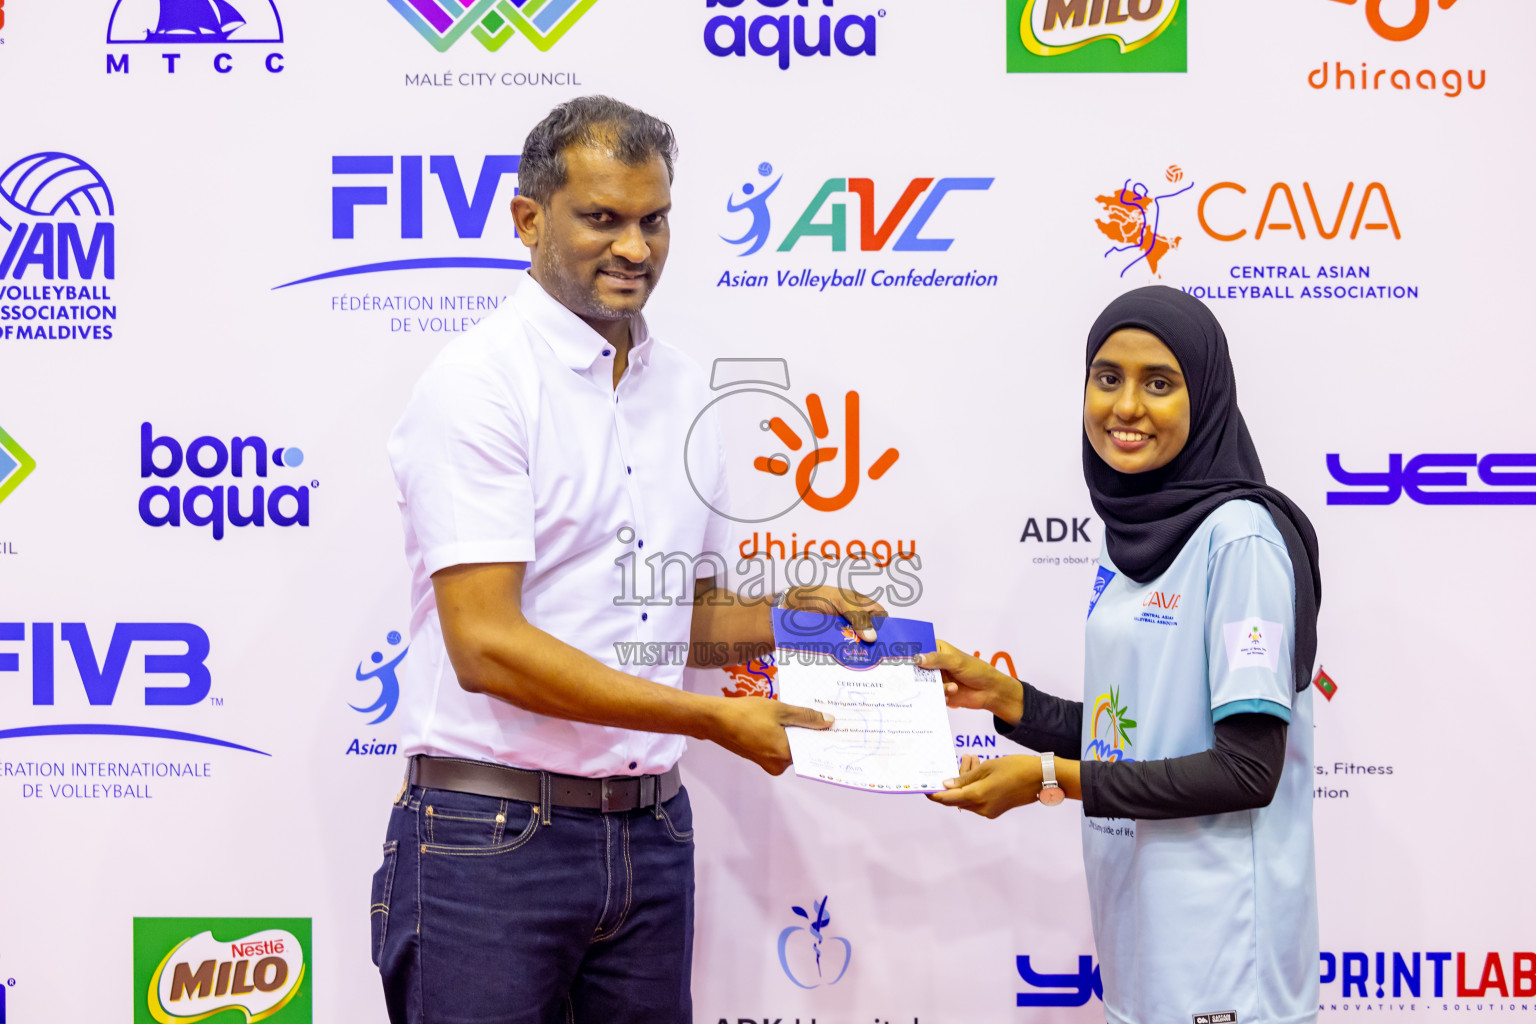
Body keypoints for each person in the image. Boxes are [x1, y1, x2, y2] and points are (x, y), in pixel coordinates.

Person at [372, 95, 880, 1024]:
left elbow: (672, 618)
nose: (635, 249)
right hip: (490, 842)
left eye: (654, 220)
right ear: (529, 219)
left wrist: (791, 618)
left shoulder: (682, 384)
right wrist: (710, 721)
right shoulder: (477, 385)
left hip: (651, 836)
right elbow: (486, 646)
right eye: (602, 219)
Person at [924, 286, 1323, 1024]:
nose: (1126, 406)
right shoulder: (1139, 537)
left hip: (1225, 961)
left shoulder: (1240, 539)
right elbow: (1139, 733)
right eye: (1107, 378)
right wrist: (1005, 699)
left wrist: (1047, 778)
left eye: (1159, 383)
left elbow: (1246, 769)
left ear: (1203, 399)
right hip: (1145, 946)